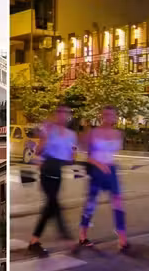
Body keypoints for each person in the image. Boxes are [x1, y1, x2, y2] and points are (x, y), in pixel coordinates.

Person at [76, 106, 129, 252]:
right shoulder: (94, 133)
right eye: (106, 114)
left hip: (111, 170)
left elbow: (112, 154)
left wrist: (108, 167)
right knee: (91, 203)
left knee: (118, 203)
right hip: (97, 170)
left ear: (115, 117)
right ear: (101, 116)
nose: (108, 117)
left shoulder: (118, 134)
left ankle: (123, 238)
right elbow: (88, 156)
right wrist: (99, 164)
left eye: (111, 115)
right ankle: (82, 235)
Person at [27, 105, 77, 257]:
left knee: (50, 206)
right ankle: (66, 237)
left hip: (58, 171)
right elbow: (38, 151)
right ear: (56, 115)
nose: (62, 116)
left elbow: (71, 159)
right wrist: (45, 138)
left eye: (65, 113)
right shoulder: (49, 130)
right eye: (60, 113)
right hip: (47, 169)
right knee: (53, 204)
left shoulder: (70, 134)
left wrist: (72, 154)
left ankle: (34, 241)